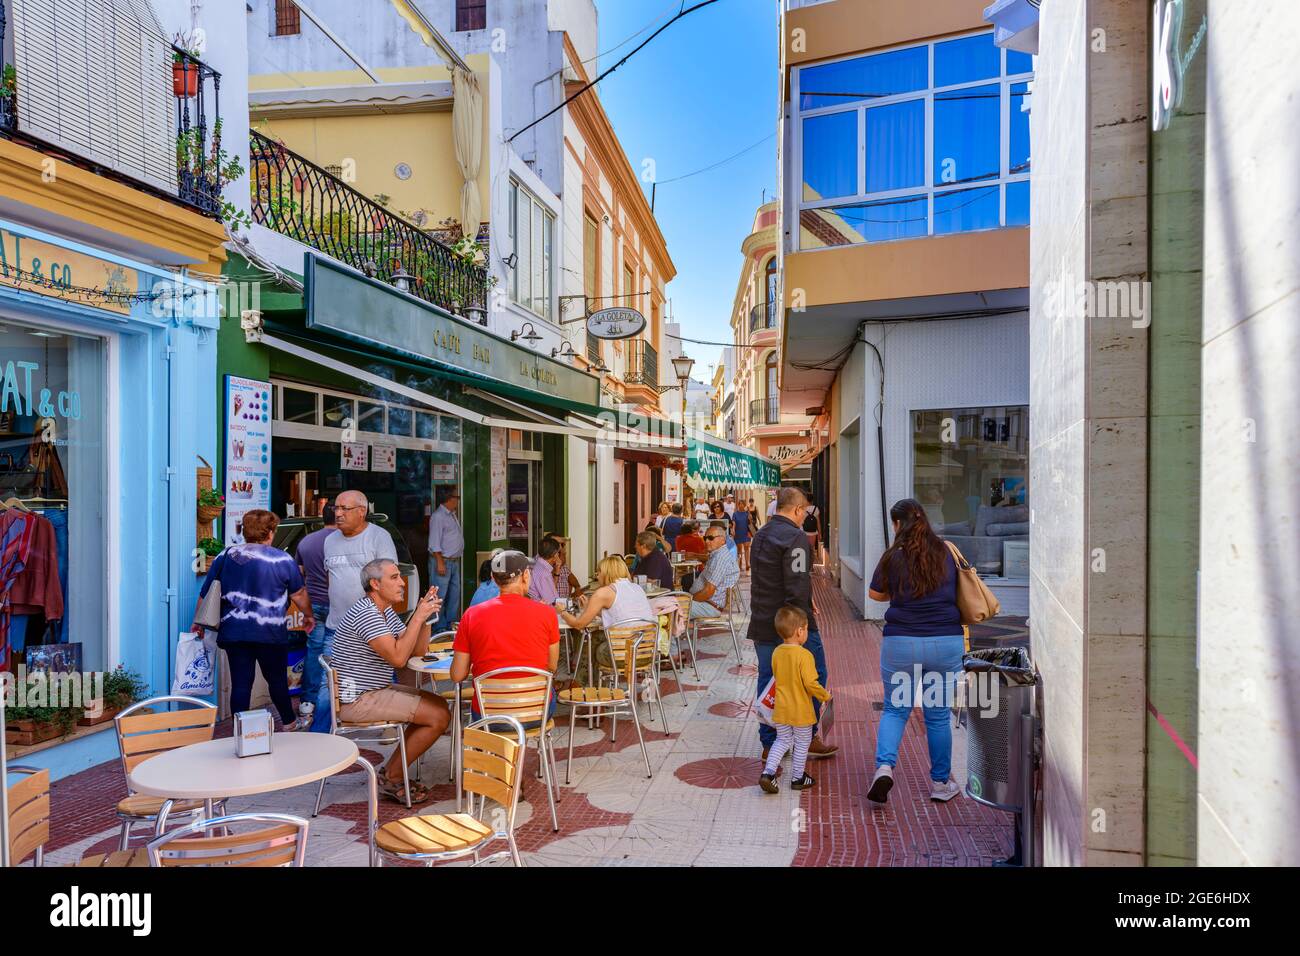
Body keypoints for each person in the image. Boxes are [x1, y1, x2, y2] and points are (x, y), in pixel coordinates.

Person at [866, 498, 965, 804]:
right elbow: (961, 588)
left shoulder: (893, 556)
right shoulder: (946, 551)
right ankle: (939, 784)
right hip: (944, 644)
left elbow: (875, 593)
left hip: (902, 644)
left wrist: (901, 593)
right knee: (936, 717)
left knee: (896, 711)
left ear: (897, 524)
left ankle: (884, 768)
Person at [332, 559, 449, 804]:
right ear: (375, 584)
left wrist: (425, 618)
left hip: (374, 690)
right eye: (394, 577)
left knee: (438, 706)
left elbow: (415, 652)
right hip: (358, 699)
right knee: (438, 716)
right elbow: (398, 658)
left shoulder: (383, 612)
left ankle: (392, 772)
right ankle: (393, 775)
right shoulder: (367, 614)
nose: (402, 583)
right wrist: (416, 617)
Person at [196, 510, 314, 731]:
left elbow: (206, 592)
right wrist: (308, 616)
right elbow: (299, 595)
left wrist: (198, 621)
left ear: (245, 531)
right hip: (269, 633)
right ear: (270, 532)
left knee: (241, 684)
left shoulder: (225, 556)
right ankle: (289, 723)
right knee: (277, 681)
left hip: (234, 632)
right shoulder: (282, 559)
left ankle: (240, 732)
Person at [747, 486, 837, 768]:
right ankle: (807, 736)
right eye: (803, 513)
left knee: (768, 682)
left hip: (762, 620)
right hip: (790, 623)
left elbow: (771, 578)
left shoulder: (761, 534)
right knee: (814, 674)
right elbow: (796, 584)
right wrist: (803, 625)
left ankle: (769, 744)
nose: (803, 518)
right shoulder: (795, 536)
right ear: (798, 510)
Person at [314, 491, 398, 732]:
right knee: (328, 685)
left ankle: (391, 722)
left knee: (381, 676)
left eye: (344, 509)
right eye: (335, 508)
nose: (337, 514)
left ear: (362, 511)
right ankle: (320, 736)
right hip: (337, 627)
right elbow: (332, 578)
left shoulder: (378, 538)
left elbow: (390, 581)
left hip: (373, 627)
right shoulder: (330, 541)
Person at [452, 551, 560, 724]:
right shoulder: (547, 613)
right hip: (536, 712)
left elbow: (457, 675)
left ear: (494, 579)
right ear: (525, 575)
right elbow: (552, 666)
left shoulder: (471, 615)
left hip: (488, 717)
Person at [759, 606, 831, 793]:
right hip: (801, 711)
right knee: (802, 743)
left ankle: (768, 774)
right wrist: (825, 696)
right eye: (806, 629)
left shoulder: (776, 653)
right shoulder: (805, 655)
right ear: (800, 631)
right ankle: (798, 777)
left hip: (781, 709)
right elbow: (810, 683)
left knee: (781, 741)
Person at [295, 501, 336, 728]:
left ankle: (307, 703)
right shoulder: (343, 542)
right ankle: (336, 702)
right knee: (339, 655)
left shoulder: (307, 541)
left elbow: (299, 575)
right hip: (340, 606)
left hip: (315, 605)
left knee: (315, 652)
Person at [561, 555, 655, 634]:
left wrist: (562, 612)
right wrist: (589, 607)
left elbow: (579, 625)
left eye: (598, 572)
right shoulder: (637, 587)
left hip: (623, 650)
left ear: (606, 573)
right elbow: (620, 615)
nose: (597, 576)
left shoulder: (603, 593)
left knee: (591, 640)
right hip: (649, 647)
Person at [427, 488, 464, 630]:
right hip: (443, 561)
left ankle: (450, 626)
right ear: (450, 498)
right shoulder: (438, 516)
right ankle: (438, 629)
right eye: (457, 497)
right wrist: (439, 562)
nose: (458, 501)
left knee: (454, 596)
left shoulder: (451, 515)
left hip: (453, 561)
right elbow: (434, 542)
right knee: (439, 597)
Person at [689, 524, 739, 620]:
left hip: (709, 606)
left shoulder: (720, 558)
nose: (707, 541)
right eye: (705, 538)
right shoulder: (716, 554)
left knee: (670, 608)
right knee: (670, 604)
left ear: (722, 540)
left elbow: (708, 592)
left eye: (711, 538)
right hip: (705, 602)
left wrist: (689, 599)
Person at [528, 537, 563, 605]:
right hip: (540, 610)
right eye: (558, 552)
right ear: (555, 554)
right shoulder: (544, 573)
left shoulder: (536, 562)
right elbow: (552, 601)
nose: (559, 555)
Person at [732, 501, 753, 573]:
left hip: (746, 532)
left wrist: (749, 512)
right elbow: (734, 523)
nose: (741, 505)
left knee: (747, 548)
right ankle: (740, 564)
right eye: (740, 504)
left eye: (742, 504)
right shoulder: (735, 514)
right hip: (738, 533)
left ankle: (747, 563)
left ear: (744, 505)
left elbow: (750, 521)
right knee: (739, 550)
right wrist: (733, 530)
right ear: (738, 505)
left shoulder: (747, 513)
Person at [802, 496, 822, 566]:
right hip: (813, 532)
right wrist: (820, 533)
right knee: (812, 549)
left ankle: (805, 564)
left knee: (804, 548)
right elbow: (818, 522)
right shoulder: (815, 509)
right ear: (812, 500)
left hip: (804, 531)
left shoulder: (803, 508)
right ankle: (811, 566)